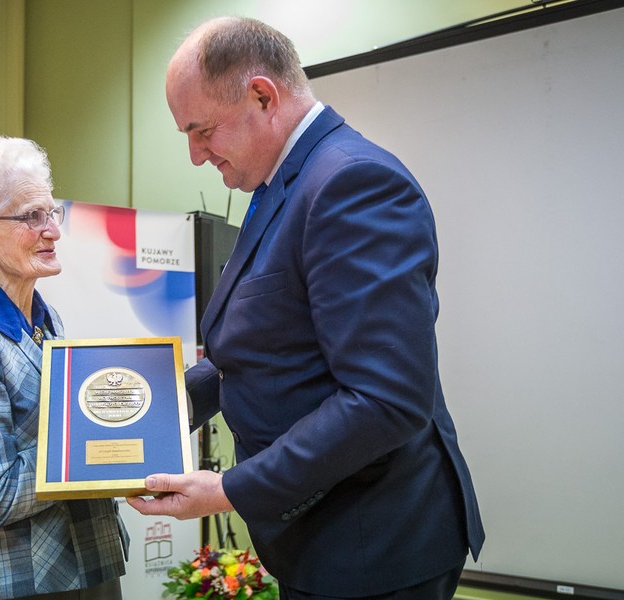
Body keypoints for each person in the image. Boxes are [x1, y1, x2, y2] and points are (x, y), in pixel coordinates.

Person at [126, 17, 485, 600]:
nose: (195, 155)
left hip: (372, 550)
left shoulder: (351, 183)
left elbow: (385, 401)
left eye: (203, 131)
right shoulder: (283, 183)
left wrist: (230, 490)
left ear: (262, 96)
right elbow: (260, 349)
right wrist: (142, 410)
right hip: (326, 542)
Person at [0, 136, 128, 600]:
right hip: (21, 583)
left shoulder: (45, 318)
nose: (52, 230)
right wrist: (94, 450)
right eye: (31, 217)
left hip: (89, 566)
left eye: (51, 213)